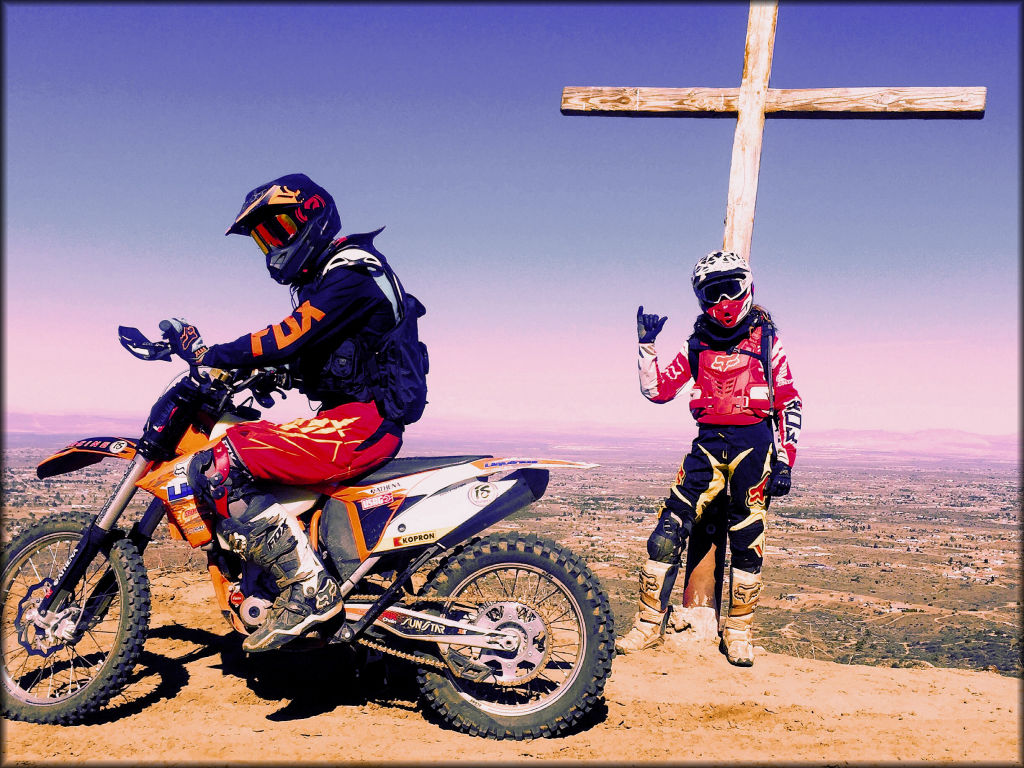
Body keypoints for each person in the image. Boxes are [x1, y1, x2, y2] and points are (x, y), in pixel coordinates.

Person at [162, 173, 417, 652]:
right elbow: (308, 357)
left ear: (313, 215)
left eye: (278, 230)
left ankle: (307, 589)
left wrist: (218, 354)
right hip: (346, 419)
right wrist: (266, 376)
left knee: (220, 461)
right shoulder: (331, 281)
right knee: (246, 446)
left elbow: (288, 336)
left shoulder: (353, 273)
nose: (273, 246)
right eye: (264, 239)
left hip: (362, 424)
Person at [617, 250, 802, 666]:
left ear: (747, 286)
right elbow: (658, 391)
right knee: (666, 532)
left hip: (754, 449)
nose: (722, 302)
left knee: (748, 540)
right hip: (707, 444)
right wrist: (646, 346)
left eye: (729, 289)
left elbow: (789, 402)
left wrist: (786, 461)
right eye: (712, 293)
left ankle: (738, 633)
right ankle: (647, 625)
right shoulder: (697, 344)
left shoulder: (766, 340)